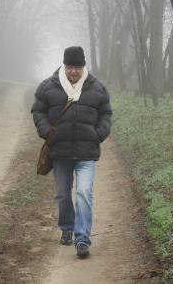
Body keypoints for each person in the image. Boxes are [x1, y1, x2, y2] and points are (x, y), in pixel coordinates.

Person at [31, 46, 112, 258]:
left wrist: (98, 134)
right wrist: (46, 131)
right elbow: (38, 110)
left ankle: (82, 239)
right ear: (64, 66)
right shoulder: (48, 87)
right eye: (70, 67)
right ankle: (67, 227)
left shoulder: (97, 88)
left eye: (77, 67)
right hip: (60, 152)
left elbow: (106, 113)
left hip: (87, 152)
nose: (74, 71)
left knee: (84, 192)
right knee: (61, 194)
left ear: (83, 66)